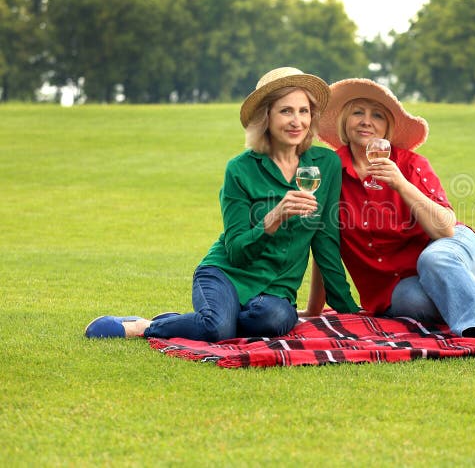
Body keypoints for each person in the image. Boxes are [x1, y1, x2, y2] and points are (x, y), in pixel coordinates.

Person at [304, 78, 475, 358]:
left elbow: (445, 229)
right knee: (414, 303)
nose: (366, 121)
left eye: (377, 115)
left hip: (448, 248)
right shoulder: (329, 172)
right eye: (358, 112)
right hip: (395, 287)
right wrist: (314, 309)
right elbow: (326, 244)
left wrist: (401, 184)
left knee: (433, 260)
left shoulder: (411, 165)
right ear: (344, 121)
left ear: (387, 128)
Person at [85, 67, 360, 341]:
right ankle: (144, 327)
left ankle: (200, 320)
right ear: (266, 117)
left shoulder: (326, 164)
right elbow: (237, 250)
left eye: (303, 111)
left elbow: (325, 241)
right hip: (227, 274)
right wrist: (273, 218)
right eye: (285, 111)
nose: (296, 121)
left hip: (276, 292)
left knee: (273, 319)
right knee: (217, 329)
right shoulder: (239, 169)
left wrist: (348, 309)